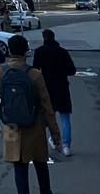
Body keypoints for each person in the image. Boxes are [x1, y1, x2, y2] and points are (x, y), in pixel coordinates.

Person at [0, 34, 61, 194]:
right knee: (40, 163)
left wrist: (6, 117)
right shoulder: (35, 74)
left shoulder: (0, 71)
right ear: (26, 52)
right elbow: (47, 106)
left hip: (12, 127)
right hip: (34, 126)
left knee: (19, 169)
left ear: (9, 50)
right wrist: (55, 134)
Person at [33, 29, 77, 157]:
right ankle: (66, 146)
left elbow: (35, 70)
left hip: (46, 88)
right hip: (62, 87)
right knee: (65, 117)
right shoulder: (62, 52)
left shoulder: (39, 52)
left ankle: (53, 140)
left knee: (48, 117)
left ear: (43, 38)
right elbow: (72, 70)